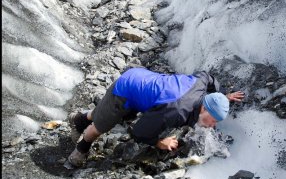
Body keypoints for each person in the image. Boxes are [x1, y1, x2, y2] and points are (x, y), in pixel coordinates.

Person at [67, 67, 245, 167]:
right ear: (204, 109)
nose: (213, 126)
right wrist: (160, 142)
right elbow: (138, 132)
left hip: (143, 79)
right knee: (101, 126)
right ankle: (81, 149)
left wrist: (222, 96)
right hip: (126, 90)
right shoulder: (176, 111)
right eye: (213, 121)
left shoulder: (200, 87)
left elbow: (208, 77)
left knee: (103, 111)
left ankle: (79, 119)